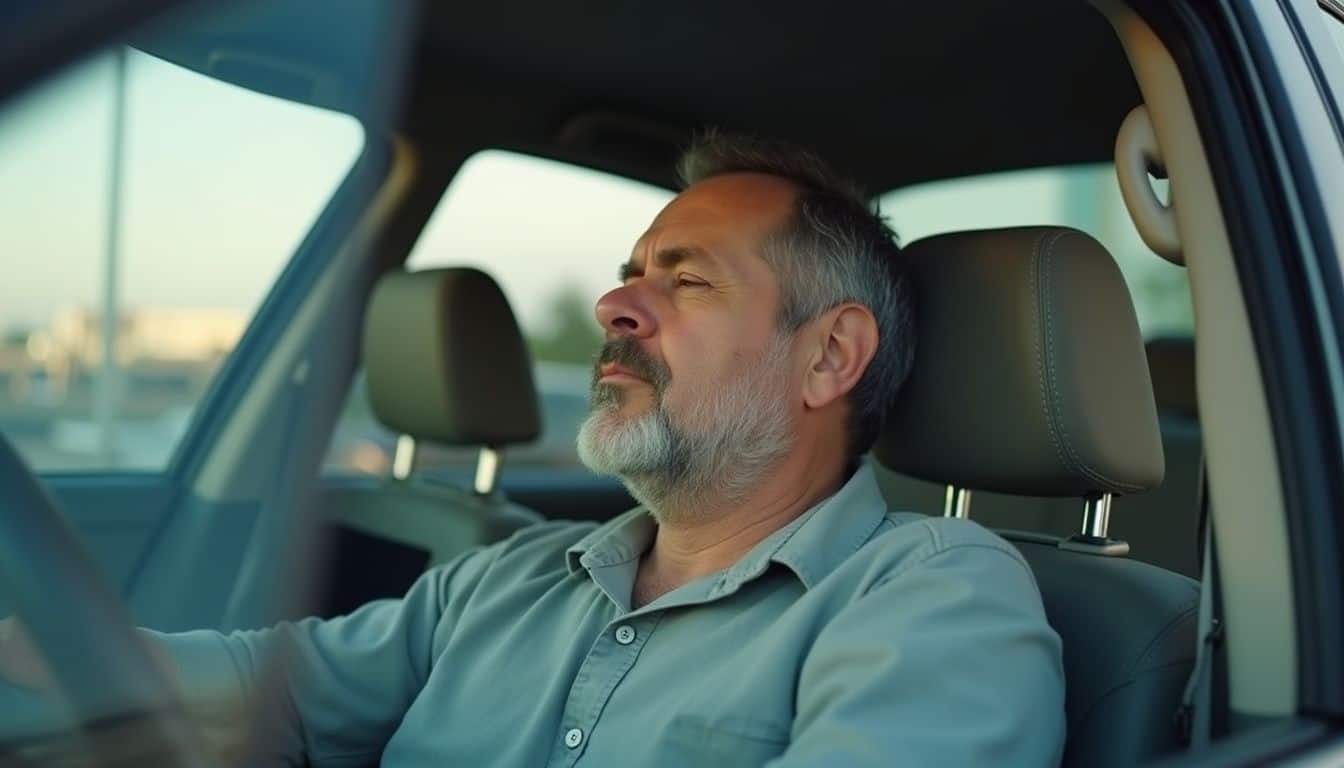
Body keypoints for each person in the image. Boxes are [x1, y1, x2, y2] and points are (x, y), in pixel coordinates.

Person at [1, 133, 1065, 766]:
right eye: (630, 272)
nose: (615, 304)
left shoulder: (936, 600)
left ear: (829, 357)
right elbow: (253, 688)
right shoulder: (506, 580)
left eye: (685, 280)